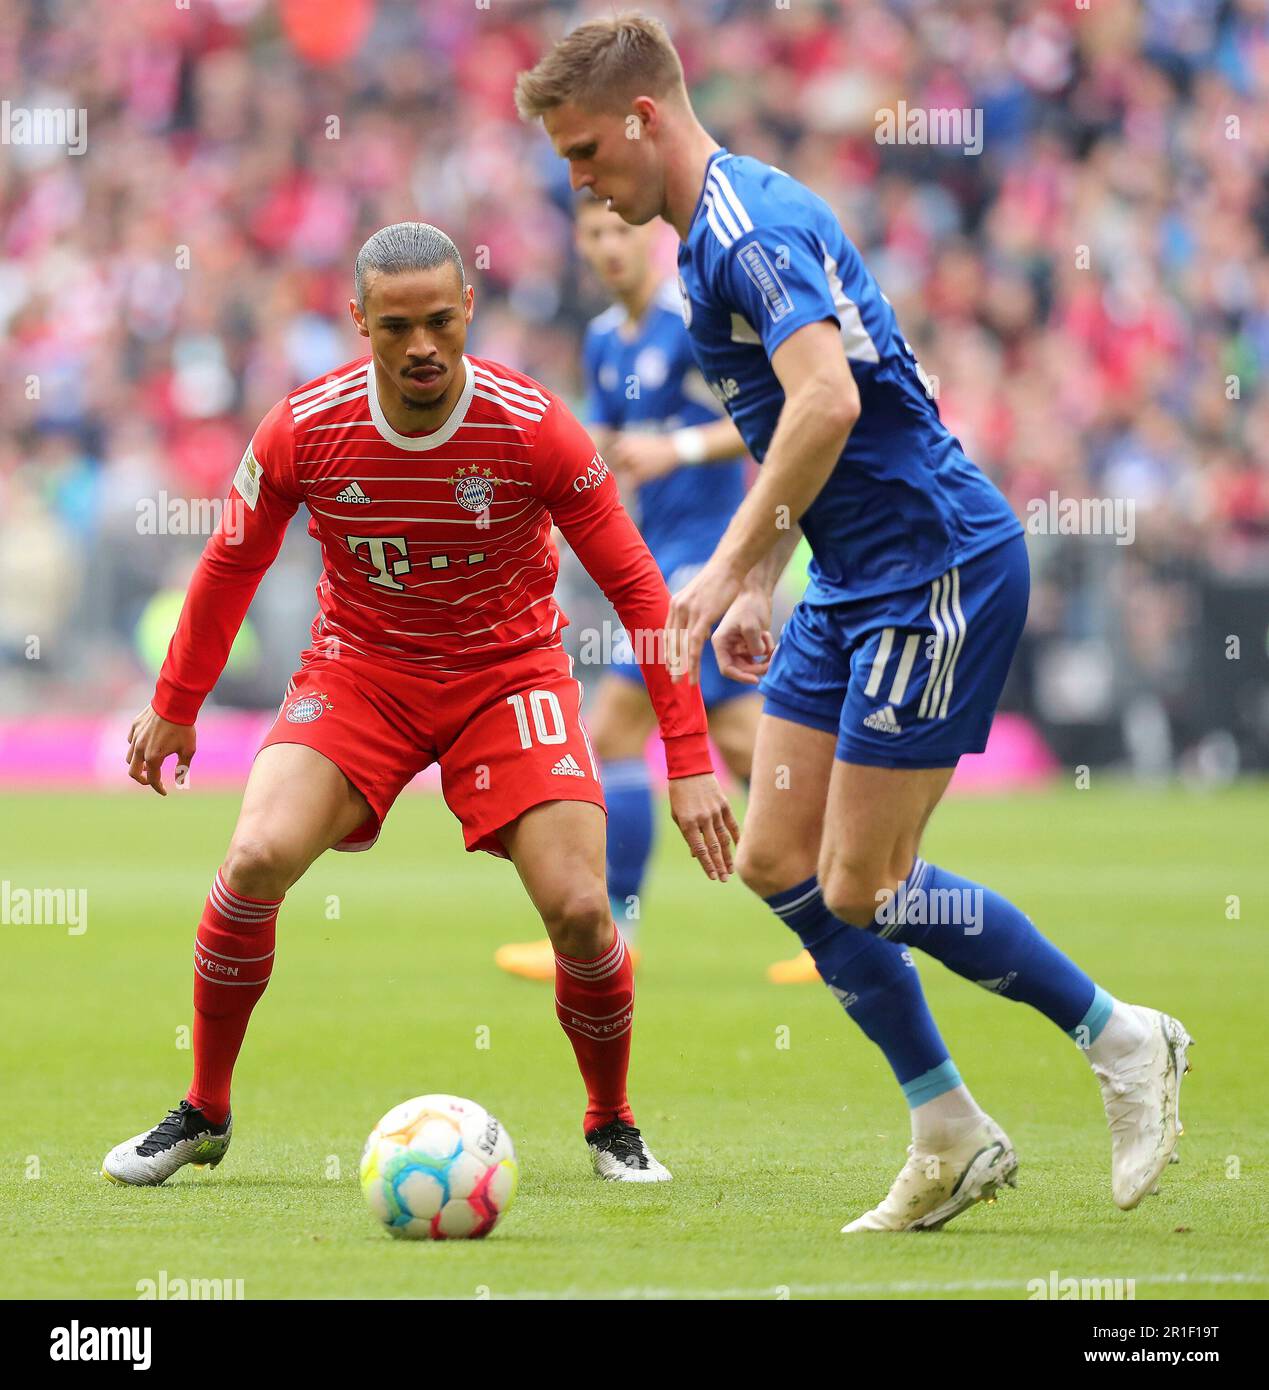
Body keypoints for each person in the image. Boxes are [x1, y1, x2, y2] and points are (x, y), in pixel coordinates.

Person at [516, 14, 1192, 1231]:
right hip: (846, 576)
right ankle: (948, 1126)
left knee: (865, 883)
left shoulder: (745, 228)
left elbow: (826, 398)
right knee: (778, 864)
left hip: (934, 563)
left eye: (582, 152)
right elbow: (801, 431)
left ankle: (1123, 1035)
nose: (578, 181)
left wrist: (723, 568)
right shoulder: (706, 246)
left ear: (643, 120)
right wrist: (771, 572)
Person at [104, 221, 737, 1189]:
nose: (423, 347)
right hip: (360, 672)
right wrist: (176, 701)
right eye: (397, 327)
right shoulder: (304, 426)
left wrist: (688, 758)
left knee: (577, 907)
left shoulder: (533, 425)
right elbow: (233, 559)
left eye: (441, 321)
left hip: (510, 678)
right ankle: (204, 1109)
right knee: (255, 855)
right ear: (359, 321)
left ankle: (612, 1123)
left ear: (468, 310)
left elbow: (643, 593)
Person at [496, 194, 796, 980]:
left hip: (706, 559)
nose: (607, 246)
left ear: (652, 240)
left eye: (621, 230)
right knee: (743, 744)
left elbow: (770, 419)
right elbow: (603, 443)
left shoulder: (693, 325)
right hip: (652, 554)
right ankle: (857, 908)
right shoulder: (602, 340)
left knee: (615, 730)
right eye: (592, 234)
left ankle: (614, 932)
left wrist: (679, 448)